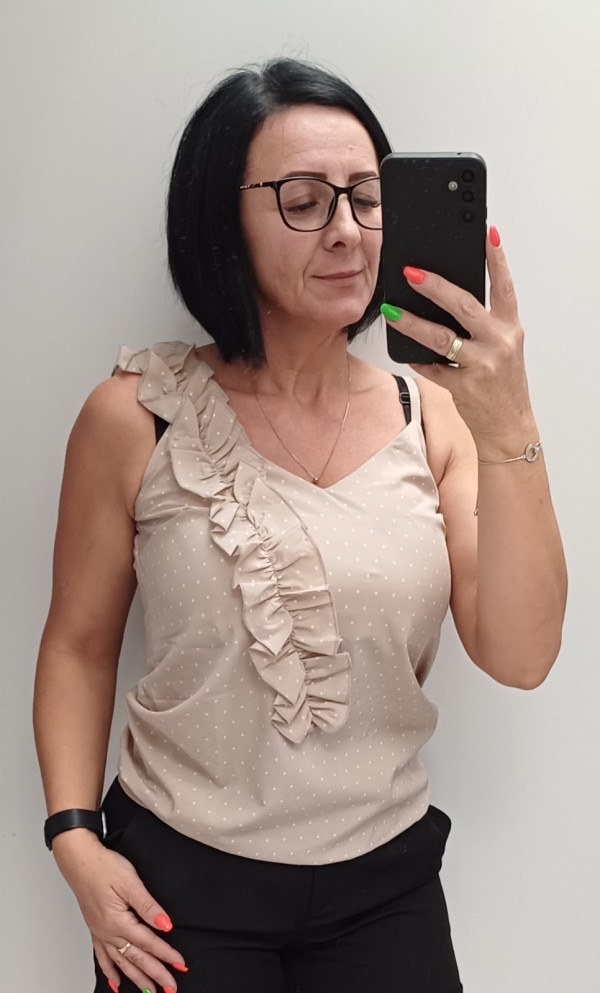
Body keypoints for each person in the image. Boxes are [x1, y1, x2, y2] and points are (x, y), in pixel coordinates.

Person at [33, 58, 567, 993]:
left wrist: (509, 421)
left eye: (367, 197)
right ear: (220, 220)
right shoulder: (136, 415)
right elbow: (79, 645)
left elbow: (522, 656)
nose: (348, 232)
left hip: (386, 887)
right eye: (304, 201)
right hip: (177, 888)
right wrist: (74, 837)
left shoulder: (433, 417)